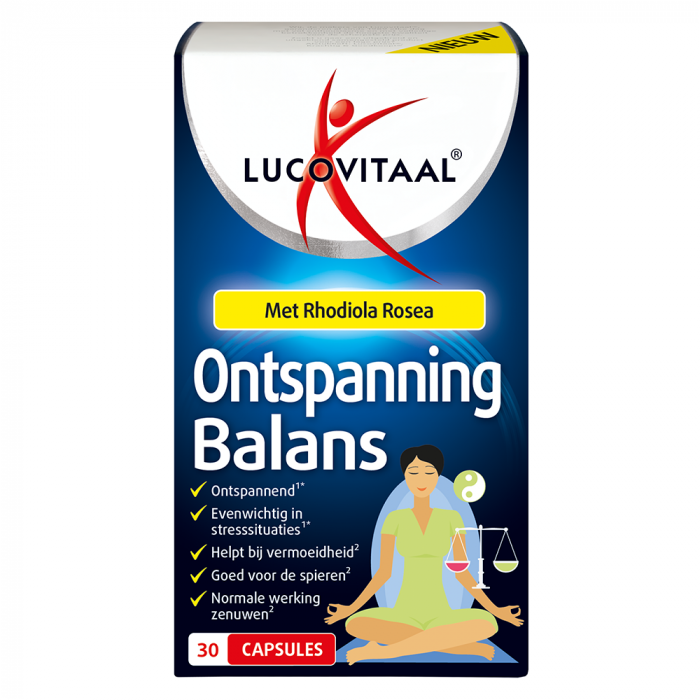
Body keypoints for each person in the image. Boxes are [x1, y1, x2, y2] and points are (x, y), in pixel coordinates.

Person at [324, 444, 523, 665]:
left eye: (429, 472)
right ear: (405, 476)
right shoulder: (394, 519)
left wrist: (495, 609)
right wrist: (351, 608)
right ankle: (457, 646)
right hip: (402, 613)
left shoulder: (452, 518)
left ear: (437, 476)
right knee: (355, 623)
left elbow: (461, 572)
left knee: (487, 623)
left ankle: (383, 652)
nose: (421, 479)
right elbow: (384, 572)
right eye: (413, 472)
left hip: (442, 613)